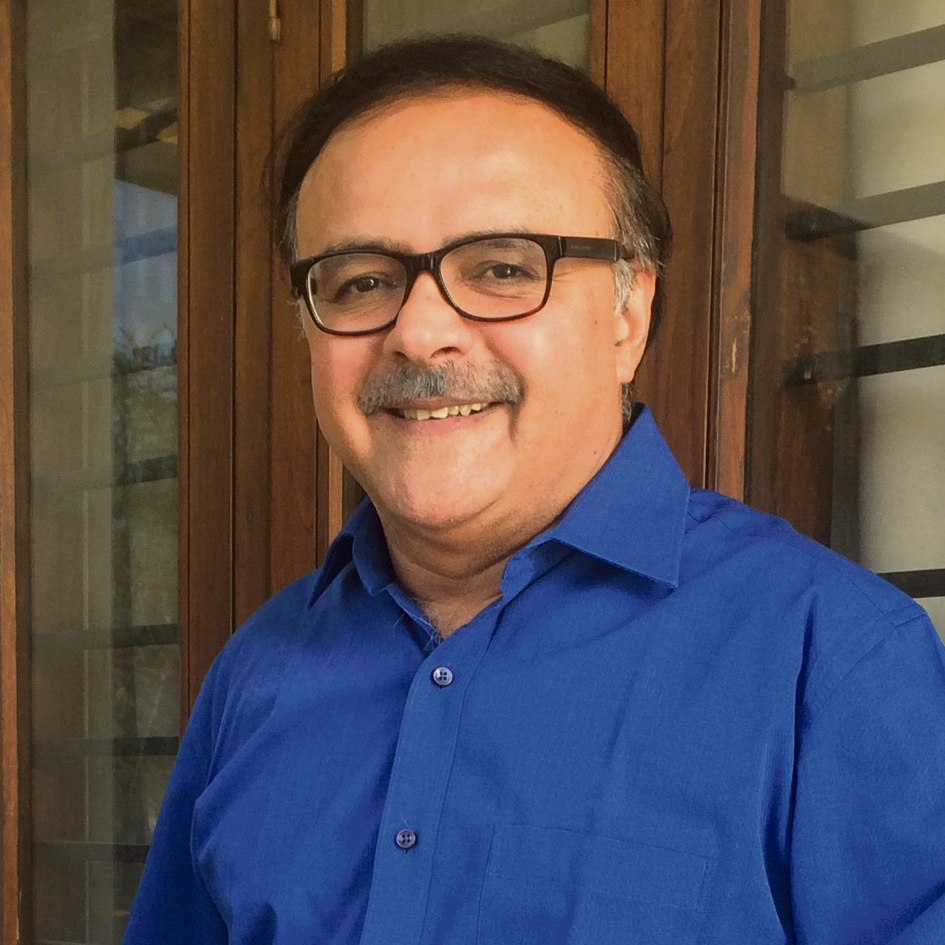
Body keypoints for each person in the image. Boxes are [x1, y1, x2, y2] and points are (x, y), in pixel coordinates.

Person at [124, 36, 945, 945]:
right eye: (361, 281)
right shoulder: (257, 674)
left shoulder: (832, 660)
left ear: (627, 314)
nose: (419, 333)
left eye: (502, 268)